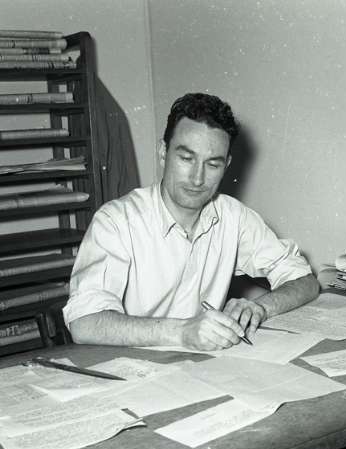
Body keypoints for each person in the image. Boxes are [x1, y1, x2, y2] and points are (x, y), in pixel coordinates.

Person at [63, 92, 319, 350]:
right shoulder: (116, 222)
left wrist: (260, 307)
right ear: (163, 153)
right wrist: (182, 332)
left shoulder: (233, 216)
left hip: (201, 366)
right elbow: (84, 323)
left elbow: (304, 280)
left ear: (226, 165)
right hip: (131, 364)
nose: (197, 178)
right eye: (186, 158)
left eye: (213, 164)